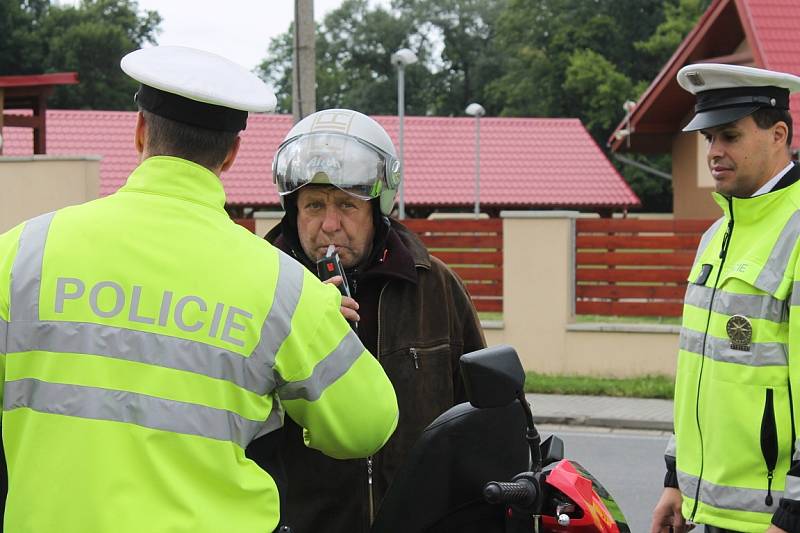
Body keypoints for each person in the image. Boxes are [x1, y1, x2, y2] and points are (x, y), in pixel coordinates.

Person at [0, 47, 398, 533]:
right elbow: (368, 426)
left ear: (140, 132)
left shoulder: (22, 253)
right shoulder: (289, 290)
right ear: (230, 154)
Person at [257, 108, 486, 532]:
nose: (329, 225)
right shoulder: (261, 288)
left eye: (347, 204)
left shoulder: (433, 285)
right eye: (313, 205)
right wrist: (303, 329)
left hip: (418, 521)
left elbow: (481, 412)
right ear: (292, 210)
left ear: (377, 208)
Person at [650, 63, 800, 533]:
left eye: (729, 136)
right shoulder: (716, 235)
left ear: (778, 134)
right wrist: (676, 479)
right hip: (709, 513)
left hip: (773, 521)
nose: (714, 152)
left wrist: (794, 515)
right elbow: (699, 372)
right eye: (708, 138)